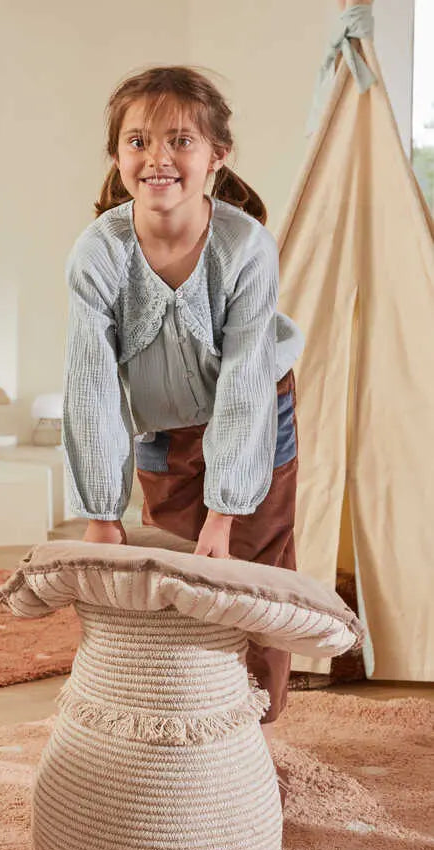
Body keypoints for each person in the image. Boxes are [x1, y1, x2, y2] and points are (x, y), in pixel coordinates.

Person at [62, 66, 303, 792]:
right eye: (137, 141)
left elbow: (241, 383)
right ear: (116, 157)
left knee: (251, 576)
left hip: (255, 412)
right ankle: (179, 725)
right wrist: (100, 512)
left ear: (216, 155)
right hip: (162, 430)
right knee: (173, 577)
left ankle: (252, 737)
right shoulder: (99, 253)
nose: (156, 157)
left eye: (179, 140)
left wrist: (228, 507)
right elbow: (90, 385)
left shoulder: (244, 247)